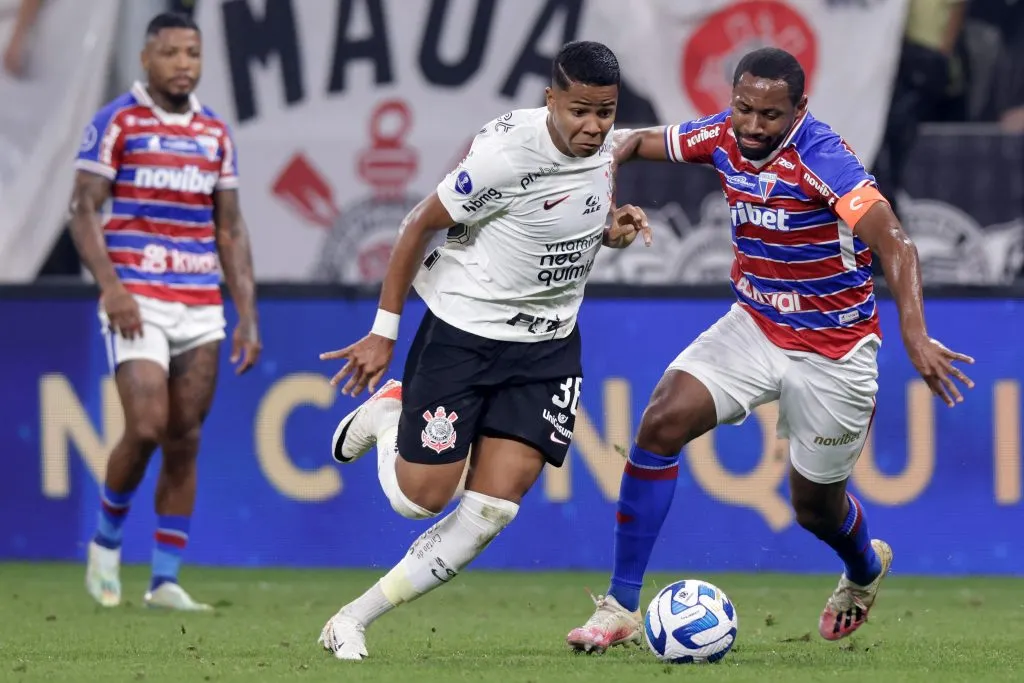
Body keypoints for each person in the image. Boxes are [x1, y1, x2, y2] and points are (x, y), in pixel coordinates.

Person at [565, 46, 975, 652]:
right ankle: (621, 605)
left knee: (814, 509)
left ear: (799, 110)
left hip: (834, 350)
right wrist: (602, 208)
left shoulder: (825, 160)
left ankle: (863, 568)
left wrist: (915, 336)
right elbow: (625, 141)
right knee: (660, 421)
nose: (753, 126)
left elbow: (896, 244)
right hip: (754, 324)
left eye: (770, 115)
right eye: (743, 109)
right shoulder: (723, 135)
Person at [316, 40, 652, 660]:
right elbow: (417, 222)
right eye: (579, 110)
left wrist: (611, 231)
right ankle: (390, 413)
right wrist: (383, 333)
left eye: (605, 112)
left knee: (494, 508)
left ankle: (353, 618)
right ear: (550, 99)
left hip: (547, 348)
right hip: (465, 338)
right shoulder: (506, 158)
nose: (594, 126)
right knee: (420, 500)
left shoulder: (604, 145)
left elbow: (588, 193)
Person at [69, 12, 261, 611]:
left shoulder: (214, 133)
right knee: (148, 425)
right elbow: (82, 209)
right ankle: (105, 541)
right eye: (172, 52)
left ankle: (165, 581)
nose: (184, 64)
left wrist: (247, 314)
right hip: (138, 300)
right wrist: (113, 288)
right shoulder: (116, 122)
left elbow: (229, 228)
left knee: (184, 437)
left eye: (193, 53)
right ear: (146, 59)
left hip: (200, 301)